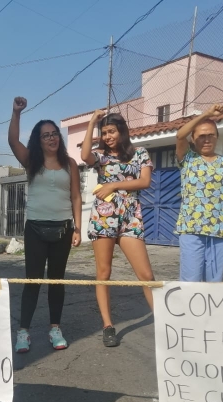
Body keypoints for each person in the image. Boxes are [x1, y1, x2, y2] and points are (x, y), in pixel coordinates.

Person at [8, 96, 82, 353]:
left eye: (54, 134)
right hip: (36, 229)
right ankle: (23, 332)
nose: (51, 138)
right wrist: (16, 113)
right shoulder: (31, 161)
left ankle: (54, 329)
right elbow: (12, 142)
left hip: (63, 228)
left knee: (57, 281)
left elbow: (75, 196)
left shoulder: (70, 164)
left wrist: (78, 228)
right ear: (38, 141)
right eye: (45, 135)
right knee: (33, 280)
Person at [81, 111, 155, 347]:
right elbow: (84, 155)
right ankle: (107, 325)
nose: (108, 136)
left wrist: (113, 184)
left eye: (111, 131)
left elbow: (144, 182)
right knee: (104, 272)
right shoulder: (100, 156)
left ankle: (164, 320)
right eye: (104, 133)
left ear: (122, 131)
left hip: (131, 217)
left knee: (146, 274)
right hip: (104, 218)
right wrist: (92, 122)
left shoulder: (140, 153)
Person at [175, 104, 223, 282]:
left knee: (213, 283)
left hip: (219, 231)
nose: (206, 140)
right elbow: (179, 135)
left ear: (217, 137)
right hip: (191, 230)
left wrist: (216, 209)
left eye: (211, 135)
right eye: (201, 136)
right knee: (190, 281)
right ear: (193, 138)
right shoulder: (187, 159)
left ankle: (209, 311)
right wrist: (206, 114)